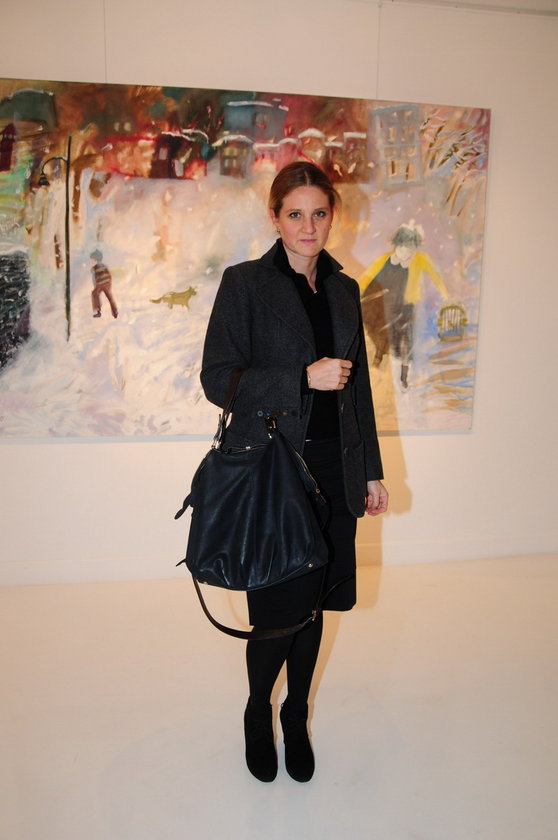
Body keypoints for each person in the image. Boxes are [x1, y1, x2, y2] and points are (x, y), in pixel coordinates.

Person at [200, 161, 388, 784]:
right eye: (295, 214)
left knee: (315, 605)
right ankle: (259, 711)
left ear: (333, 216)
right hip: (275, 471)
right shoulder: (245, 284)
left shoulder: (344, 289)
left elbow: (357, 393)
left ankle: (296, 714)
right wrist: (299, 379)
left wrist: (370, 470)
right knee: (278, 609)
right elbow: (217, 379)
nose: (308, 227)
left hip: (335, 469)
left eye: (319, 213)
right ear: (275, 218)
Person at [359, 222, 448, 388]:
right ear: (397, 245)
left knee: (406, 340)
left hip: (406, 305)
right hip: (383, 304)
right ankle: (378, 359)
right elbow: (367, 276)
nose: (407, 252)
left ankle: (404, 377)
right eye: (403, 247)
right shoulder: (385, 259)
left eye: (411, 248)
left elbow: (435, 275)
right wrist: (356, 292)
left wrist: (446, 295)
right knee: (382, 333)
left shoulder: (420, 259)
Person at [90, 249, 118, 319]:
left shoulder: (94, 268)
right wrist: (109, 284)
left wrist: (96, 286)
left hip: (100, 284)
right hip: (107, 283)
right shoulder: (105, 266)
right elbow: (109, 275)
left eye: (93, 259)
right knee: (110, 297)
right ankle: (115, 310)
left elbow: (94, 279)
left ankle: (98, 311)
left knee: (94, 294)